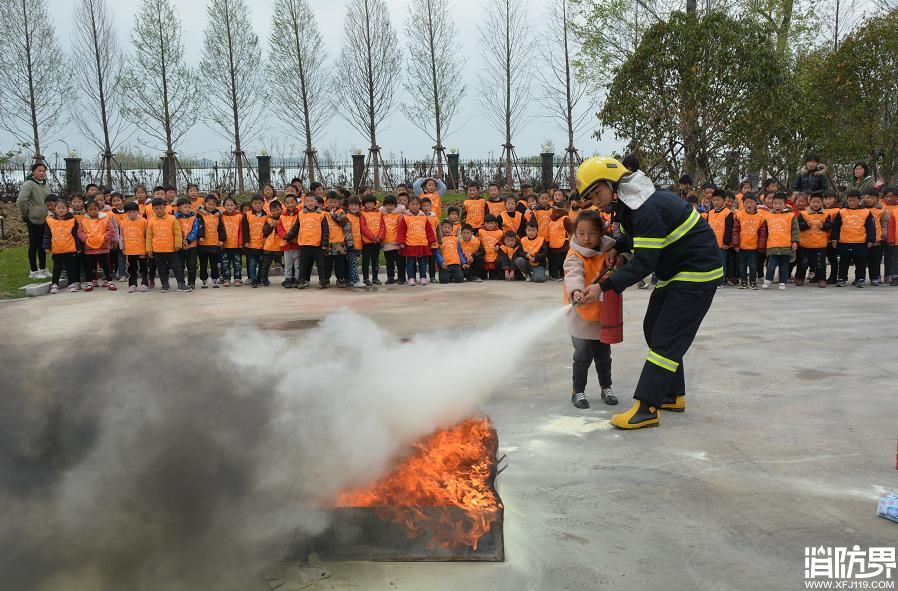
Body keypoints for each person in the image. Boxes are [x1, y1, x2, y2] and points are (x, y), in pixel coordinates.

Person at [576, 156, 721, 430]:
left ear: (612, 183)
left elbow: (644, 263)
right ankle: (672, 394)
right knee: (653, 327)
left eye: (598, 192)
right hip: (676, 271)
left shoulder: (645, 207)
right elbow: (633, 237)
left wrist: (603, 287)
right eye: (591, 196)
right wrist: (619, 249)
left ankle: (647, 408)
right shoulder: (630, 205)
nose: (596, 201)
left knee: (665, 337)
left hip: (696, 273)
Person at [563, 210, 618, 409]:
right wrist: (576, 291)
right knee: (582, 356)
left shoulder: (608, 250)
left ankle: (606, 387)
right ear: (575, 233)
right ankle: (578, 391)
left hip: (603, 314)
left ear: (601, 233)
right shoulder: (574, 255)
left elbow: (622, 255)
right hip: (581, 316)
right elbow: (573, 274)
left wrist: (617, 255)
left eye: (593, 233)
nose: (586, 239)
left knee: (604, 356)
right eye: (581, 233)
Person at [830, 190, 875, 288]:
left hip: (861, 242)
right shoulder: (841, 212)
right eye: (850, 200)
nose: (852, 203)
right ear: (847, 200)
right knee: (843, 262)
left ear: (859, 200)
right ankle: (842, 278)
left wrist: (871, 240)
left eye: (854, 200)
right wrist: (834, 239)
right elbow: (836, 227)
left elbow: (871, 227)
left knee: (861, 263)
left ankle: (860, 279)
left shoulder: (866, 212)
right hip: (844, 242)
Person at [286, 193, 329, 289]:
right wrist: (287, 237)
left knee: (321, 264)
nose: (310, 203)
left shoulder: (322, 214)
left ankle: (322, 281)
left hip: (317, 244)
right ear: (304, 202)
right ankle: (302, 281)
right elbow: (295, 227)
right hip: (304, 244)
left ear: (316, 202)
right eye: (307, 201)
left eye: (312, 201)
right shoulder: (301, 214)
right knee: (303, 264)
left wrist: (324, 243)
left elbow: (325, 230)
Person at [17, 162, 52, 279]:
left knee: (43, 245)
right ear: (33, 172)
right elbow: (21, 201)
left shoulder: (45, 184)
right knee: (34, 245)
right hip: (33, 219)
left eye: (43, 171)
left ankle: (43, 268)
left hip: (45, 219)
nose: (42, 173)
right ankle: (33, 270)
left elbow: (50, 199)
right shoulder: (29, 184)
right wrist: (26, 214)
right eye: (39, 171)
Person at [77, 200, 118, 292]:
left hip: (103, 247)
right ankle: (89, 282)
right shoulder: (83, 221)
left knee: (106, 265)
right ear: (87, 210)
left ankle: (109, 281)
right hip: (89, 248)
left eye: (95, 209)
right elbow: (80, 232)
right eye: (90, 209)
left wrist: (104, 238)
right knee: (90, 266)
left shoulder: (105, 219)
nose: (93, 211)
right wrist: (86, 239)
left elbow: (111, 230)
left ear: (98, 209)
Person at [43, 198, 81, 294]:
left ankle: (71, 284)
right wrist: (46, 246)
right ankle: (55, 284)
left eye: (63, 208)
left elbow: (76, 235)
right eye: (59, 208)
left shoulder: (72, 220)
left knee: (70, 267)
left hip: (69, 248)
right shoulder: (50, 221)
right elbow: (47, 234)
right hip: (57, 249)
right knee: (57, 268)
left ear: (67, 209)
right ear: (55, 209)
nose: (61, 210)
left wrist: (79, 247)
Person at [762, 193, 799, 290]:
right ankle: (768, 279)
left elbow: (795, 230)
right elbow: (764, 231)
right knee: (771, 266)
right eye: (775, 203)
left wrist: (795, 241)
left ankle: (783, 282)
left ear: (785, 204)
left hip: (786, 246)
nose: (777, 206)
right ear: (772, 204)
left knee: (784, 267)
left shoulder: (790, 216)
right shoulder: (768, 216)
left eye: (780, 203)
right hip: (773, 245)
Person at [730, 192, 767, 289]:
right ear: (743, 204)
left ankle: (753, 282)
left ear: (755, 203)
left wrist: (761, 246)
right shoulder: (739, 215)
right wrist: (736, 244)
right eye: (746, 202)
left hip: (754, 247)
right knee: (742, 265)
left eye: (751, 202)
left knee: (753, 266)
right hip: (742, 247)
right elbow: (735, 231)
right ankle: (743, 282)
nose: (749, 204)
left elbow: (762, 234)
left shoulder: (760, 217)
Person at [398, 196, 437, 286]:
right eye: (412, 204)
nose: (414, 206)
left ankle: (423, 277)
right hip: (410, 243)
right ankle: (411, 278)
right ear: (409, 205)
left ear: (420, 205)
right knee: (410, 262)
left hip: (422, 243)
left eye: (416, 204)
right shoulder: (405, 217)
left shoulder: (424, 217)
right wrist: (401, 242)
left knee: (422, 262)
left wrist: (432, 240)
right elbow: (401, 231)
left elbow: (429, 230)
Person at [795, 193, 831, 288]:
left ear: (822, 202)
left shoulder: (826, 214)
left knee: (820, 264)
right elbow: (798, 226)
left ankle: (821, 279)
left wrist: (823, 226)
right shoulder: (803, 213)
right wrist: (806, 225)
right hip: (805, 245)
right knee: (803, 263)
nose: (816, 204)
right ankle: (799, 278)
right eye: (813, 202)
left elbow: (829, 226)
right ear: (809, 202)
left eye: (818, 202)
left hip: (820, 245)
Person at [704, 190, 733, 288]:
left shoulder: (728, 213)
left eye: (718, 200)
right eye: (714, 200)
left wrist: (726, 242)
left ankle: (721, 281)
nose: (715, 202)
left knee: (721, 263)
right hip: (710, 243)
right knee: (711, 262)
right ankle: (711, 280)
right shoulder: (710, 213)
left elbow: (729, 229)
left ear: (724, 200)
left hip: (721, 244)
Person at [119, 201, 149, 292]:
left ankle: (144, 283)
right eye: (129, 213)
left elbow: (147, 235)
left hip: (142, 250)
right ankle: (132, 284)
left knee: (144, 268)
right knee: (131, 268)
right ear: (126, 213)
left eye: (134, 212)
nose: (132, 214)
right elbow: (121, 236)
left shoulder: (144, 221)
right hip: (130, 250)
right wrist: (122, 247)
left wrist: (148, 248)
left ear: (138, 211)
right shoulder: (123, 223)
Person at [198, 194, 226, 289]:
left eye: (213, 205)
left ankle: (215, 279)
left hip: (214, 243)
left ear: (216, 205)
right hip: (203, 244)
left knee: (214, 264)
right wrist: (201, 236)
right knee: (203, 264)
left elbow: (221, 228)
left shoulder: (218, 215)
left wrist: (222, 239)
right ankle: (204, 280)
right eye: (209, 204)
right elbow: (200, 226)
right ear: (205, 204)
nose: (211, 206)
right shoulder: (201, 214)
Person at [174, 198, 200, 290]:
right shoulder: (174, 218)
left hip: (192, 245)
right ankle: (181, 282)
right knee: (179, 266)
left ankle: (191, 282)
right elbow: (174, 231)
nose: (188, 209)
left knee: (192, 266)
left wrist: (188, 240)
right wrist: (181, 240)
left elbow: (195, 230)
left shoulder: (194, 217)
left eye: (189, 207)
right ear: (179, 208)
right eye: (185, 207)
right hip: (179, 246)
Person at [242, 195, 268, 288]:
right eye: (255, 203)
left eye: (259, 203)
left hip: (263, 244)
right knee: (252, 263)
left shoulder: (267, 215)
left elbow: (268, 229)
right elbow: (245, 229)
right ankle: (253, 280)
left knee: (262, 263)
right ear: (252, 205)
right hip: (251, 244)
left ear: (263, 204)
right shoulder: (247, 215)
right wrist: (246, 241)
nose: (257, 205)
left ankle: (260, 279)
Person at [277, 194, 301, 288]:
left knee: (297, 264)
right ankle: (288, 279)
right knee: (287, 264)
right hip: (286, 244)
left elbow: (301, 227)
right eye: (288, 203)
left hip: (297, 244)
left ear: (296, 202)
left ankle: (297, 279)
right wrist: (286, 237)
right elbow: (279, 228)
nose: (290, 204)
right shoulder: (282, 216)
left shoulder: (300, 214)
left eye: (292, 202)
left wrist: (295, 238)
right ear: (285, 204)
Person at [360, 195, 385, 286]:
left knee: (375, 261)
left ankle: (375, 278)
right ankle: (366, 278)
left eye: (371, 203)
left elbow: (383, 226)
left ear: (374, 204)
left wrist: (380, 237)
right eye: (367, 203)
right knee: (365, 261)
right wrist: (372, 237)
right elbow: (363, 227)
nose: (369, 205)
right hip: (366, 242)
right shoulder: (362, 214)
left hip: (377, 242)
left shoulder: (379, 213)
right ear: (364, 204)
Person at [259, 200, 284, 287]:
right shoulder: (268, 219)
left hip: (281, 246)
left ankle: (289, 278)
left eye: (277, 210)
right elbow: (264, 232)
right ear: (270, 211)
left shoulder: (284, 218)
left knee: (284, 264)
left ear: (281, 209)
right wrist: (270, 226)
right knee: (265, 265)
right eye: (273, 211)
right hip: (269, 247)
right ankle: (264, 279)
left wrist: (278, 225)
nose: (276, 212)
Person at [220, 197, 244, 286]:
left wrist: (241, 242)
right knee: (225, 263)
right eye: (227, 205)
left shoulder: (239, 216)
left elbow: (242, 231)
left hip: (236, 245)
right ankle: (226, 279)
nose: (229, 207)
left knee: (237, 263)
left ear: (235, 206)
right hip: (225, 245)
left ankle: (238, 278)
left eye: (231, 205)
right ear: (224, 206)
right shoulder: (221, 216)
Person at [863, 189, 885, 286]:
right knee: (861, 261)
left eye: (872, 198)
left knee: (875, 260)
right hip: (862, 239)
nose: (869, 200)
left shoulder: (881, 210)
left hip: (877, 240)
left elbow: (884, 223)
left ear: (877, 199)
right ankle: (860, 277)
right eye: (867, 197)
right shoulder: (860, 209)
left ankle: (874, 277)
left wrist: (884, 234)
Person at [547, 201, 574, 280]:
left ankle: (553, 275)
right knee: (562, 261)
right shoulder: (565, 218)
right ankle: (562, 275)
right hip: (563, 244)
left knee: (553, 261)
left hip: (552, 244)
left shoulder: (551, 218)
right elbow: (572, 228)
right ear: (566, 208)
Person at [381, 195, 405, 284]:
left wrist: (402, 241)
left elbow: (402, 228)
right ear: (384, 206)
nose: (389, 207)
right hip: (387, 243)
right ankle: (390, 277)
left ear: (395, 205)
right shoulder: (382, 215)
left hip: (397, 242)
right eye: (387, 205)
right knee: (389, 262)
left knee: (400, 262)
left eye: (391, 205)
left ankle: (401, 277)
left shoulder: (399, 215)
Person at [516, 218, 548, 282]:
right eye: (529, 230)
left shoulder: (542, 239)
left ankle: (537, 274)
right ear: (525, 230)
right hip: (527, 263)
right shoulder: (522, 240)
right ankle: (527, 274)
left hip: (538, 264)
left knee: (539, 279)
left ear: (537, 231)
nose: (531, 232)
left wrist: (535, 258)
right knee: (518, 260)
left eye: (533, 230)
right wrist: (525, 255)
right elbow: (519, 252)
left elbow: (544, 252)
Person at [345, 197, 366, 288]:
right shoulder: (347, 217)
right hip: (350, 245)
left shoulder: (358, 216)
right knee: (353, 264)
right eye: (351, 205)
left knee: (353, 263)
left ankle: (349, 280)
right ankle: (356, 280)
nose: (354, 207)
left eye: (356, 205)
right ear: (348, 206)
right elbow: (347, 232)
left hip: (357, 244)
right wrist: (349, 244)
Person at [822, 191, 842, 283]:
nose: (827, 201)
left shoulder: (838, 211)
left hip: (832, 239)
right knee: (821, 259)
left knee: (832, 259)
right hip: (821, 239)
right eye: (825, 199)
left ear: (835, 199)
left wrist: (835, 238)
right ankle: (821, 276)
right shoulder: (821, 210)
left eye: (830, 198)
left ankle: (833, 276)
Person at [477, 214, 504, 280]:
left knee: (493, 277)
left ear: (495, 224)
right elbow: (475, 239)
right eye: (487, 223)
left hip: (494, 255)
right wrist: (478, 240)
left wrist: (498, 244)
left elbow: (503, 241)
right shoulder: (480, 231)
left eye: (492, 223)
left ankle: (497, 273)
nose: (489, 225)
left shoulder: (499, 232)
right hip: (484, 255)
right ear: (484, 223)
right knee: (483, 277)